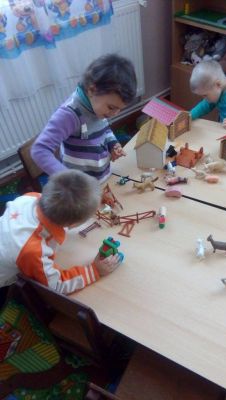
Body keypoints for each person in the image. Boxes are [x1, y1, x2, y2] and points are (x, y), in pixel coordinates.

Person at [0, 170, 121, 298]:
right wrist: (95, 270)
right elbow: (55, 286)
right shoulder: (33, 251)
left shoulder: (30, 197)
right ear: (73, 225)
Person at [31, 53, 137, 183]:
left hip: (101, 178)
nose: (115, 113)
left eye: (120, 109)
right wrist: (68, 178)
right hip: (81, 189)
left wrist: (112, 143)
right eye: (111, 107)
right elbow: (40, 150)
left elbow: (104, 129)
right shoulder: (69, 114)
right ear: (92, 90)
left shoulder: (98, 106)